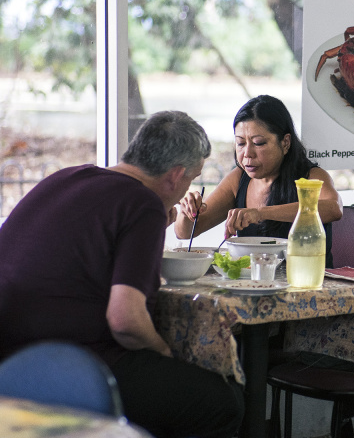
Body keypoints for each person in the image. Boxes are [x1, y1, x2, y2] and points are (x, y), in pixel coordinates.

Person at [0, 111, 243, 438]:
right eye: (192, 179)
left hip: (10, 353)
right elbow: (125, 321)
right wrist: (163, 352)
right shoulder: (143, 203)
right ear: (176, 175)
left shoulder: (68, 177)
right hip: (69, 363)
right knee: (221, 402)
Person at [174, 95, 343, 265]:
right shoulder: (238, 178)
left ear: (285, 143)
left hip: (308, 278)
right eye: (240, 143)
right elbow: (184, 233)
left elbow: (333, 209)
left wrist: (260, 213)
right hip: (254, 279)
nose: (247, 153)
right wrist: (187, 211)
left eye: (259, 143)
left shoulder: (311, 176)